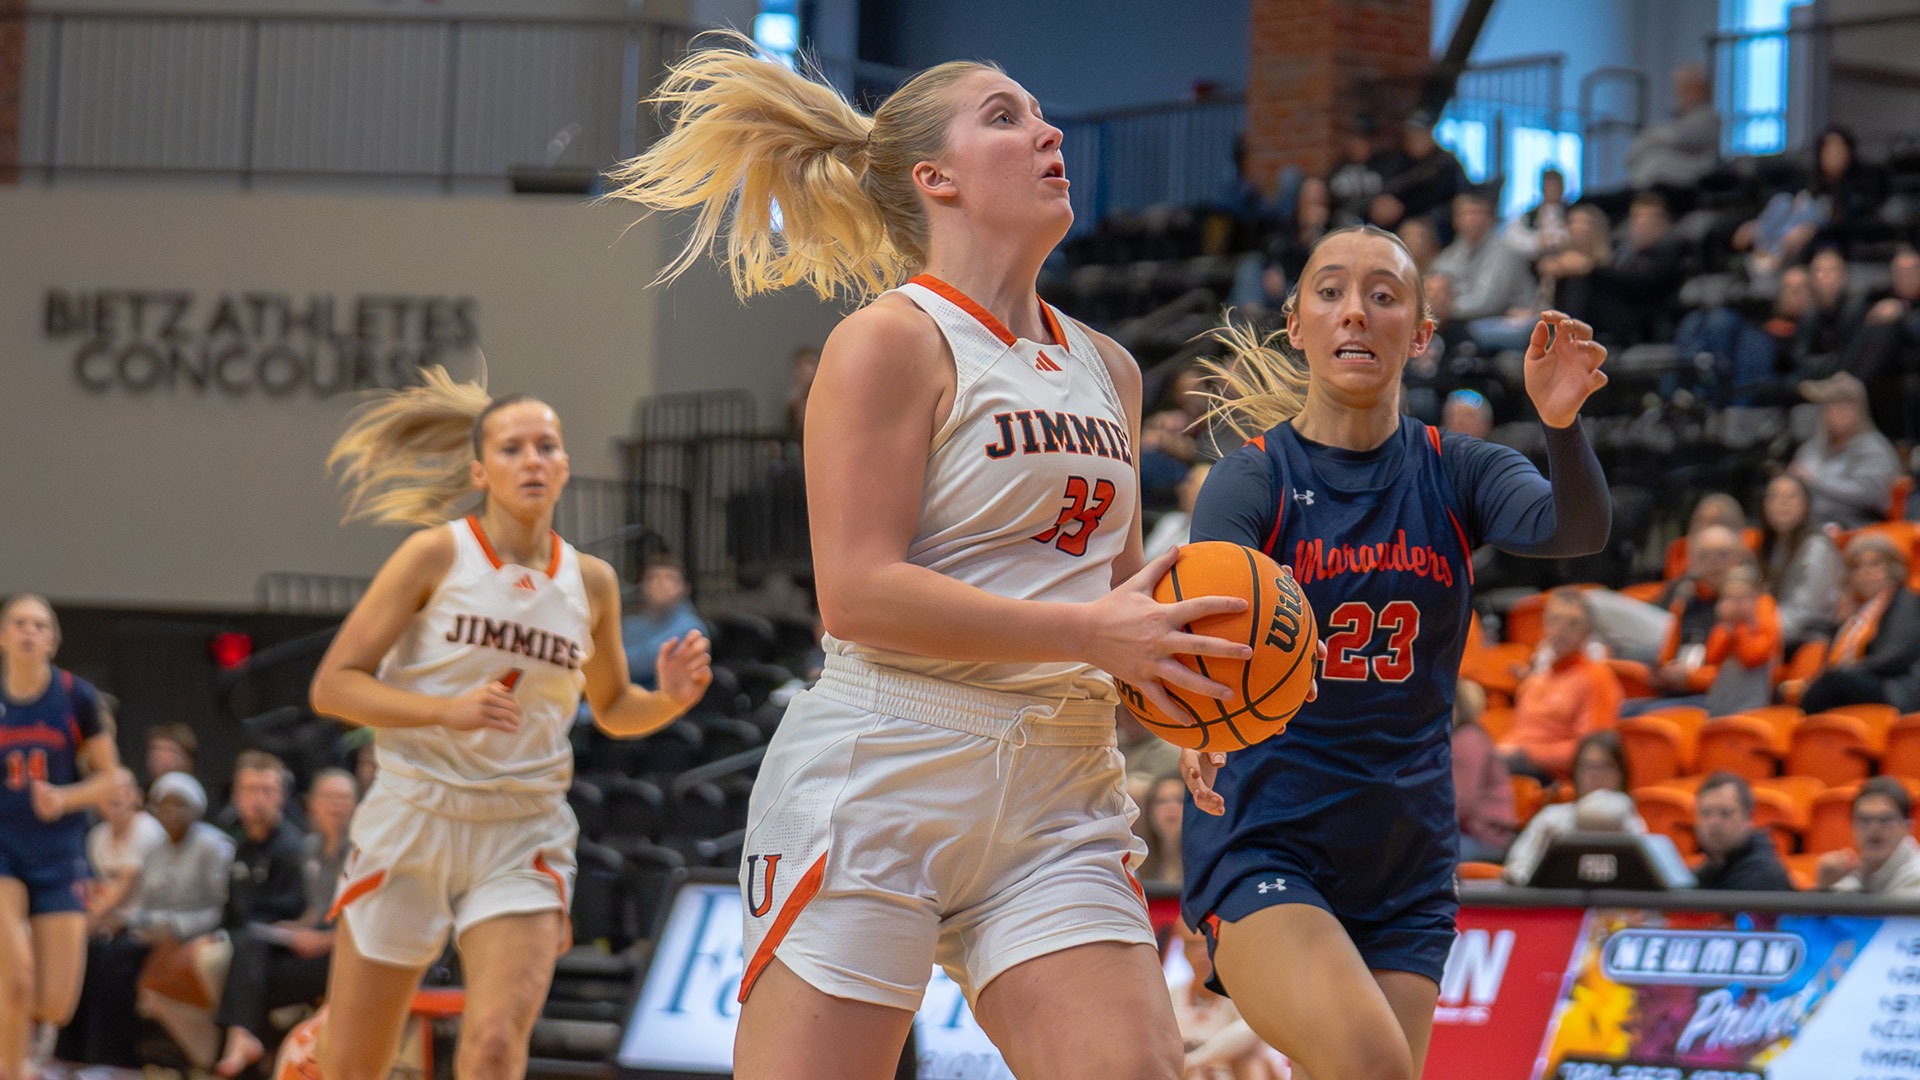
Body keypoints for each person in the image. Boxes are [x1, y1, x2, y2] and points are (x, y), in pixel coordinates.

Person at [606, 34, 1254, 1080]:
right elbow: (858, 594)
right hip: (886, 769)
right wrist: (1094, 632)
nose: (1047, 131)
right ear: (934, 178)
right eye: (1004, 116)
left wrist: (1186, 699)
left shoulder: (1113, 368)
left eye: (1041, 115)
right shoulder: (891, 340)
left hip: (1061, 785)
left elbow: (1123, 594)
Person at [1180, 222, 1610, 1080]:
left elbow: (1575, 527)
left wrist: (1560, 426)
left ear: (1418, 334)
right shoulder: (1253, 479)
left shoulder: (1459, 471)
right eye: (1331, 291)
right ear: (1296, 324)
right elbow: (1197, 630)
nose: (1356, 313)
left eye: (1383, 296)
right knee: (1371, 1067)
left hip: (1406, 853)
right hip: (1269, 836)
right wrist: (1197, 720)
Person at [297, 368, 714, 1080]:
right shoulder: (435, 554)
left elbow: (613, 710)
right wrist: (443, 711)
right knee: (352, 1065)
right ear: (480, 469)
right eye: (513, 448)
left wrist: (670, 699)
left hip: (521, 827)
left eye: (546, 446)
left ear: (565, 466)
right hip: (412, 812)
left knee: (493, 1046)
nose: (532, 461)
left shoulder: (591, 582)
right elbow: (332, 687)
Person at [0, 595, 119, 1080]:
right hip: (3, 849)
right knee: (17, 977)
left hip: (58, 852)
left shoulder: (78, 698)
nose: (29, 631)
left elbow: (111, 780)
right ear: (3, 635)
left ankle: (17, 1046)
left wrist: (66, 798)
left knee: (54, 1001)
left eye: (39, 625)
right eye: (19, 622)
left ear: (53, 640)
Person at [60, 772, 231, 1069]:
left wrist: (172, 928)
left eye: (179, 805)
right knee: (95, 948)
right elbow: (147, 903)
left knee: (119, 959)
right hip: (151, 928)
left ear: (196, 808)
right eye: (163, 806)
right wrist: (122, 921)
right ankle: (72, 1053)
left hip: (194, 931)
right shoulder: (156, 848)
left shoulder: (213, 846)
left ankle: (115, 1058)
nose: (170, 813)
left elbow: (223, 907)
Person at [213, 768, 359, 1077]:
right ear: (311, 804)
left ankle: (249, 1043)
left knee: (253, 978)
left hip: (351, 955)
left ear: (356, 804)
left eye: (344, 798)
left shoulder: (364, 851)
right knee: (251, 945)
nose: (336, 805)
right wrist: (296, 928)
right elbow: (317, 912)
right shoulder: (312, 849)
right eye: (328, 797)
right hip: (320, 945)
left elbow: (372, 923)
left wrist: (320, 940)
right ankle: (250, 1042)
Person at [1500, 589, 1624, 781]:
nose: (1561, 629)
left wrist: (1525, 753)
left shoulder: (1597, 677)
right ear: (1544, 625)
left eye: (1573, 623)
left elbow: (1592, 751)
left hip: (1552, 776)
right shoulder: (1537, 679)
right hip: (1514, 763)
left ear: (1587, 632)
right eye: (1555, 620)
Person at [1793, 533, 1920, 713]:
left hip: (1895, 688)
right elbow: (1831, 661)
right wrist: (1840, 624)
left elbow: (1897, 656)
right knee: (1787, 691)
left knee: (1834, 682)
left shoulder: (1907, 601)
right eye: (1857, 567)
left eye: (1875, 564)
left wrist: (1853, 670)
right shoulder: (1854, 615)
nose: (1866, 572)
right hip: (1864, 682)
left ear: (1893, 568)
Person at [1503, 732, 1646, 886]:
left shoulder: (1632, 824)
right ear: (1576, 772)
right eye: (1588, 766)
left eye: (1606, 766)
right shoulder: (1551, 819)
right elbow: (1516, 866)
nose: (1595, 775)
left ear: (1621, 774)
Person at [1789, 372, 1901, 530]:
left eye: (1846, 404)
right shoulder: (1810, 449)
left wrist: (1816, 481)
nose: (1839, 411)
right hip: (1808, 525)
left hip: (1857, 528)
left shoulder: (1874, 448)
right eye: (1833, 404)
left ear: (1860, 410)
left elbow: (1872, 495)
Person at [1757, 472, 1844, 651]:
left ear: (1806, 506)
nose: (1782, 503)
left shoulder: (1817, 547)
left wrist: (1760, 635)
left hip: (1809, 642)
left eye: (1791, 496)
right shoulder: (1771, 545)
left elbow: (1805, 612)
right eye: (1775, 496)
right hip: (1778, 637)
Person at [84, 767, 167, 938]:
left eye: (127, 788)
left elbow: (125, 888)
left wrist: (86, 924)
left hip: (150, 917)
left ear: (138, 796)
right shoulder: (97, 835)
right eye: (110, 788)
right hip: (110, 915)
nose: (119, 794)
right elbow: (93, 886)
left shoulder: (147, 828)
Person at [1817, 776, 1920, 896]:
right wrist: (1824, 886)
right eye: (1864, 820)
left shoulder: (1916, 875)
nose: (1874, 828)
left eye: (1885, 820)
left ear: (1908, 827)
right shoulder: (1848, 872)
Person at [1701, 563, 1781, 717]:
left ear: (1756, 598)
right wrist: (1727, 630)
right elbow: (1711, 658)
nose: (1735, 605)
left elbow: (1751, 658)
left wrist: (1740, 628)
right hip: (1721, 700)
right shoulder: (1725, 626)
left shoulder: (1763, 622)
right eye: (1729, 598)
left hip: (1753, 703)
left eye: (1742, 598)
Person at [1692, 772, 1795, 891]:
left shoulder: (1763, 875)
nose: (1714, 822)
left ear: (1748, 818)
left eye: (1725, 813)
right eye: (1706, 813)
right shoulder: (1707, 871)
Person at [1625, 63, 1719, 191]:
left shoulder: (1706, 117)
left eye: (1687, 87)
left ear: (1700, 88)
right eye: (1679, 87)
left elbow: (1676, 138)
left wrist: (1648, 136)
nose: (1680, 92)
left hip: (1695, 174)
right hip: (1665, 176)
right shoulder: (1681, 117)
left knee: (1656, 163)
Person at [1450, 680, 1516, 865]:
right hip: (1466, 834)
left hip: (1486, 839)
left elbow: (1461, 804)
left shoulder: (1467, 740)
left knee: (1423, 858)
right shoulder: (1461, 737)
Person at [621, 559, 711, 691]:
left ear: (685, 588)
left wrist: (606, 662)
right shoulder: (631, 624)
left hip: (668, 703)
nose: (660, 584)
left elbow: (648, 661)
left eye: (670, 578)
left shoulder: (691, 628)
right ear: (643, 586)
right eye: (653, 578)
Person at [1135, 773, 1187, 890]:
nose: (1171, 807)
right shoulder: (1136, 862)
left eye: (1179, 800)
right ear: (1149, 812)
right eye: (1162, 801)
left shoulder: (1206, 866)